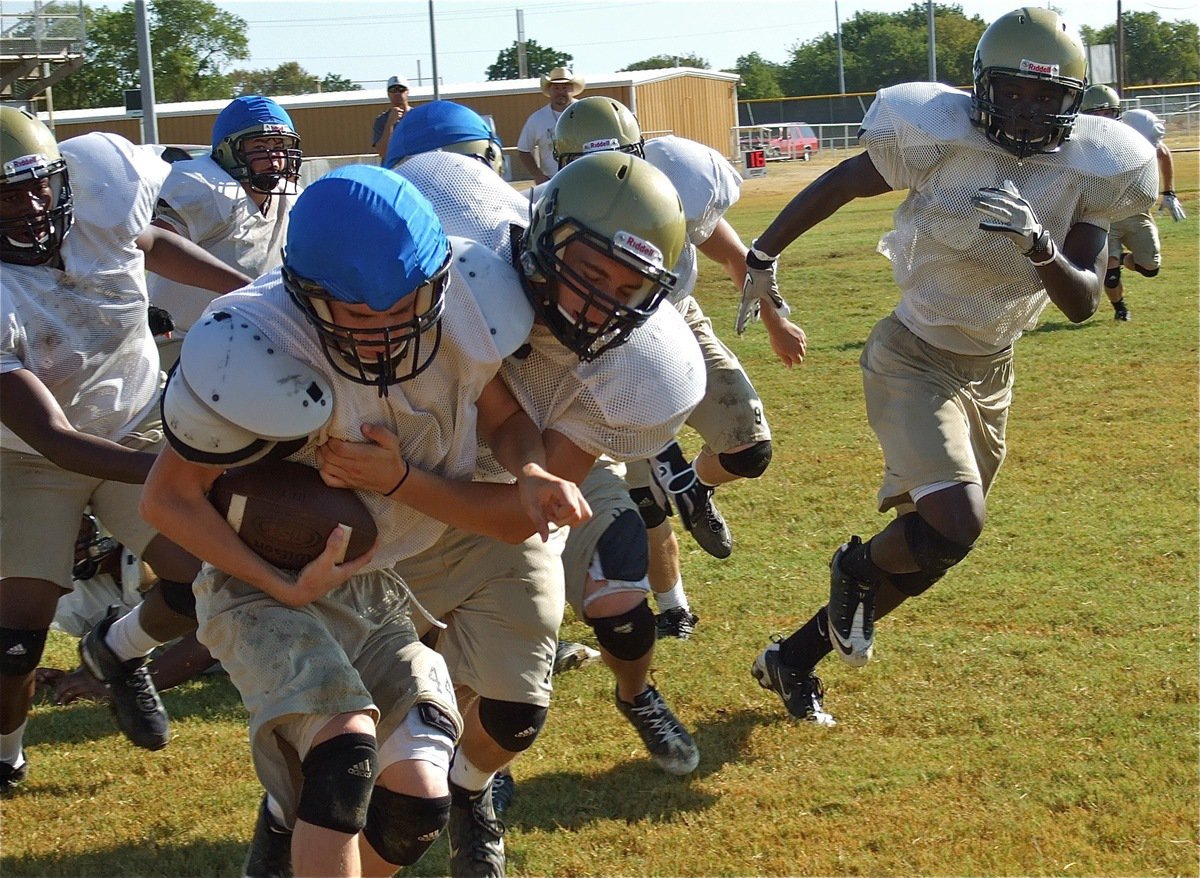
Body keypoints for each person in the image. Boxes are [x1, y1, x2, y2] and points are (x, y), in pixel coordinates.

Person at [140, 164, 588, 878]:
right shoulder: (255, 342)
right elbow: (166, 500)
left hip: (370, 581)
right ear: (307, 294)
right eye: (357, 317)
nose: (386, 334)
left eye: (406, 306)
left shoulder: (470, 307)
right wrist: (273, 581)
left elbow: (504, 419)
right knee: (345, 754)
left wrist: (532, 469)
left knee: (418, 792)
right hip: (263, 587)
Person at [741, 8, 1157, 725]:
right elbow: (840, 182)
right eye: (1012, 92)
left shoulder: (1093, 169)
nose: (1026, 110)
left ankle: (793, 659)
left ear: (1073, 104)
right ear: (979, 89)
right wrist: (760, 253)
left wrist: (1039, 248)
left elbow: (1084, 301)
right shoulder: (941, 136)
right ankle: (852, 571)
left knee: (933, 552)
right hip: (913, 355)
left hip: (992, 367)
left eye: (1044, 96)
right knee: (955, 520)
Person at [390, 146, 706, 873]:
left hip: (496, 488)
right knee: (372, 695)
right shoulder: (455, 249)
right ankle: (292, 821)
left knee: (514, 701)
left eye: (628, 288)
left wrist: (399, 481)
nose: (598, 303)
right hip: (399, 472)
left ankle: (471, 789)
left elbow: (517, 513)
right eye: (589, 273)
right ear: (542, 237)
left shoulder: (643, 367)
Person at [0, 109, 253, 792]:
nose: (27, 205)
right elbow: (53, 438)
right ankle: (7, 756)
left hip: (137, 420)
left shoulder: (96, 206)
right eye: (4, 194)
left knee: (207, 583)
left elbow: (146, 242)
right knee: (14, 642)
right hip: (28, 458)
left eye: (35, 186)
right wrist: (182, 466)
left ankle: (118, 649)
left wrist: (242, 288)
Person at [551, 95, 808, 639]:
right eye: (588, 168)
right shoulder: (549, 213)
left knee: (749, 446)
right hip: (599, 341)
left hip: (674, 317)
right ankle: (675, 608)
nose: (611, 180)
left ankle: (690, 483)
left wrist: (774, 320)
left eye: (622, 161)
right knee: (643, 504)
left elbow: (737, 257)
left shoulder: (674, 188)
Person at [149, 95, 303, 342]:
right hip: (182, 340)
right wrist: (248, 292)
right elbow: (155, 248)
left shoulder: (290, 197)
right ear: (229, 151)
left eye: (279, 147)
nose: (274, 159)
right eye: (260, 148)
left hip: (255, 337)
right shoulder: (205, 187)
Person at [1079, 84, 1185, 321]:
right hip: (1103, 213)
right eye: (1096, 113)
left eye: (1107, 112)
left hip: (1136, 210)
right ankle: (1121, 310)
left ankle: (1123, 258)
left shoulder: (1133, 128)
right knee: (1110, 274)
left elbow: (1163, 153)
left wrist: (1169, 192)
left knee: (1150, 269)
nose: (1102, 119)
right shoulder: (1079, 138)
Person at [516, 66, 584, 184]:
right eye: (556, 88)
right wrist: (538, 175)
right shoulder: (537, 119)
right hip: (552, 181)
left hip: (584, 176)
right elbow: (523, 150)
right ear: (549, 90)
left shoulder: (585, 112)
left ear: (572, 89)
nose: (561, 92)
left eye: (565, 88)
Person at [372, 74, 410, 162]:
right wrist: (390, 124)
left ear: (407, 92)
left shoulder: (418, 116)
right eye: (393, 90)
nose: (397, 93)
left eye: (401, 89)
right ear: (388, 94)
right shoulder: (381, 120)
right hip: (393, 169)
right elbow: (383, 152)